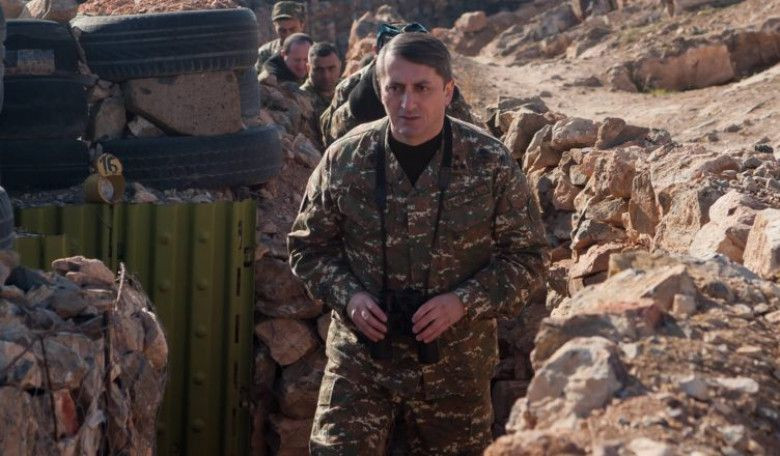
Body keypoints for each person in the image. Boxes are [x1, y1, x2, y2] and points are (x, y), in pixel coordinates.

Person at [288, 33, 547, 455]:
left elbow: (529, 258)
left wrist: (462, 301)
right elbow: (307, 248)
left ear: (448, 91)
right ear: (380, 89)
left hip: (453, 371)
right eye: (395, 88)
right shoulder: (344, 159)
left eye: (422, 88)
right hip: (361, 366)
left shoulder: (489, 162)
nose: (407, 103)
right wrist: (350, 296)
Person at [319, 23, 475, 148]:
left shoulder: (442, 87)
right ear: (377, 53)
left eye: (421, 88)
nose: (408, 103)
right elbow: (331, 132)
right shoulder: (351, 91)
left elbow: (466, 133)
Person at [256, 1, 305, 69]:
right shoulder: (264, 53)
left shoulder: (313, 52)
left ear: (302, 25)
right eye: (282, 30)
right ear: (275, 27)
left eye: (292, 29)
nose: (288, 34)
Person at [301, 42, 342, 115]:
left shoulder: (347, 90)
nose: (326, 76)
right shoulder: (300, 99)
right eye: (319, 70)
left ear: (340, 66)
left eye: (331, 68)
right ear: (308, 69)